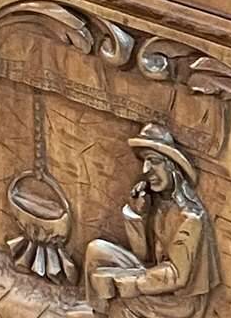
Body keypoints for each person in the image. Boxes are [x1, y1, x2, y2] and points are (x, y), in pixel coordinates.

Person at [64, 124, 219, 318]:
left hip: (178, 301)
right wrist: (139, 214)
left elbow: (176, 276)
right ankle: (100, 313)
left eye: (154, 161)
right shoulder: (161, 204)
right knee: (97, 251)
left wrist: (127, 283)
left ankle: (113, 311)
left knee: (120, 305)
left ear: (172, 166)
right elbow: (144, 257)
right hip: (155, 277)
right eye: (145, 161)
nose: (146, 170)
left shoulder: (190, 218)